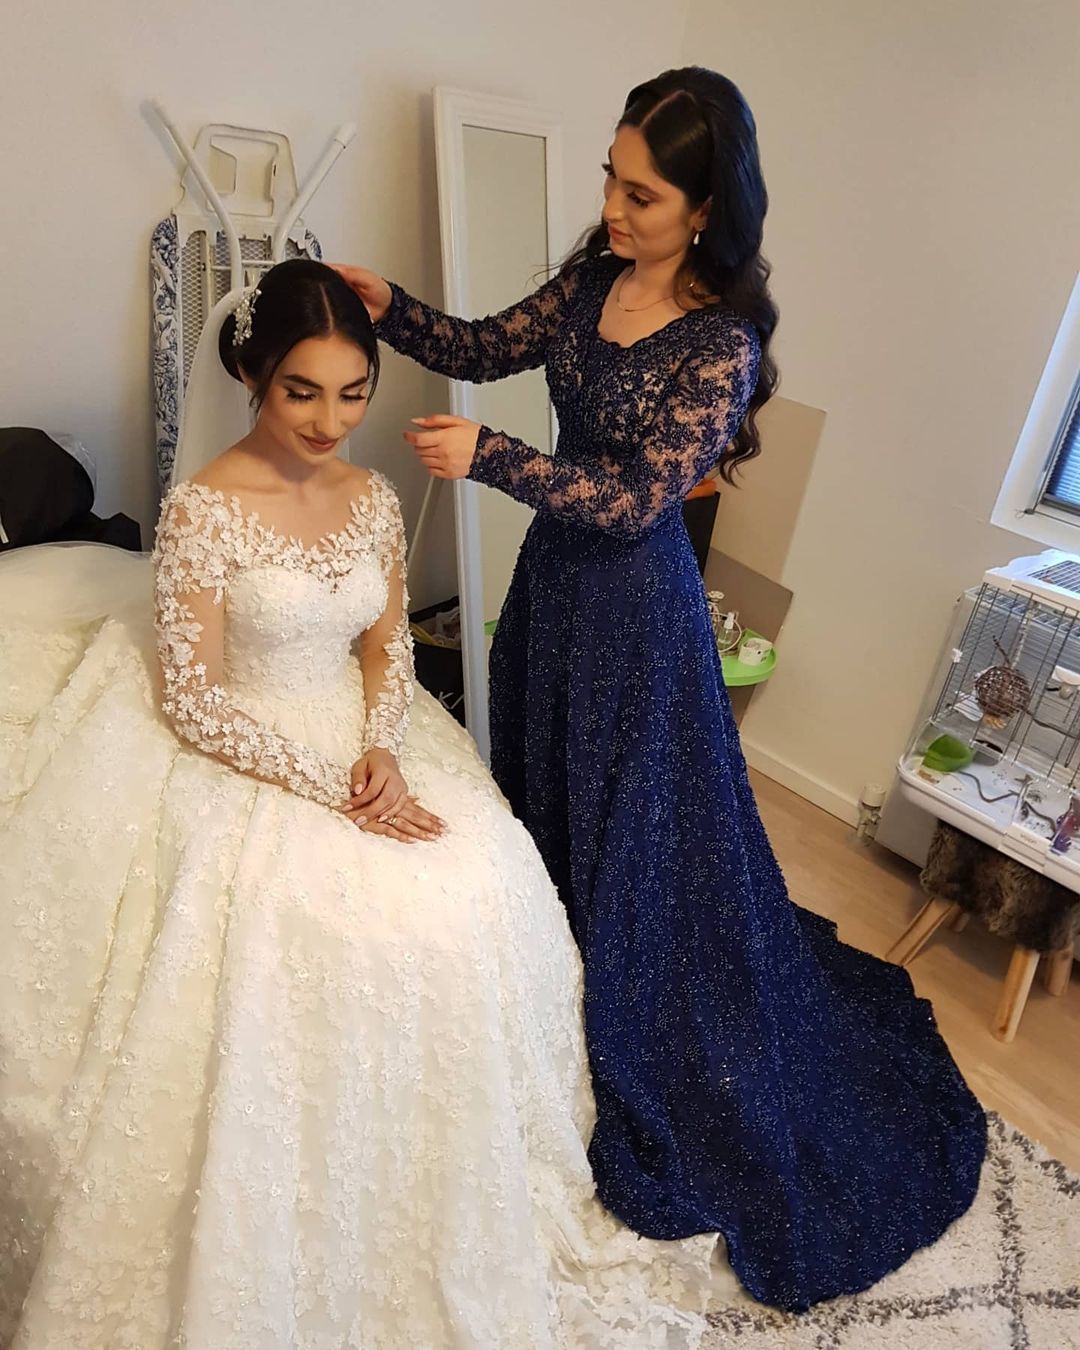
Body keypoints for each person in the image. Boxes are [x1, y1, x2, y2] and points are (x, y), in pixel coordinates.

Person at [336, 67, 987, 1311]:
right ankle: (542, 984)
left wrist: (494, 456)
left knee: (636, 837)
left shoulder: (721, 345)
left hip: (636, 618)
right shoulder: (597, 274)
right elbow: (485, 345)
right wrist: (390, 308)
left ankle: (624, 1021)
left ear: (705, 209)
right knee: (542, 797)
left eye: (641, 194)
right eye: (611, 179)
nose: (614, 207)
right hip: (553, 594)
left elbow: (639, 501)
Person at [0, 259, 726, 1348]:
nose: (329, 421)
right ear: (253, 376)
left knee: (478, 885)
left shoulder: (374, 497)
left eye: (353, 393)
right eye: (302, 391)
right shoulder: (203, 510)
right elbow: (193, 699)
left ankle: (450, 1186)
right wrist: (330, 785)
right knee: (305, 930)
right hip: (251, 745)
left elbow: (387, 648)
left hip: (361, 735)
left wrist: (382, 747)